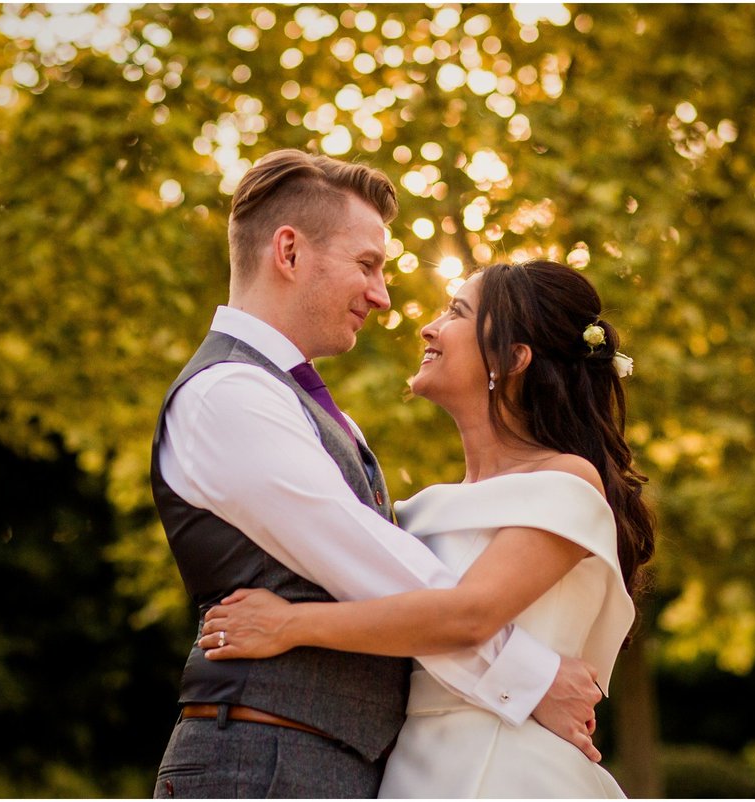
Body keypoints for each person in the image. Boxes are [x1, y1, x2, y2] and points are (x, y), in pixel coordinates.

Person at [150, 150, 604, 799]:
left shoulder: (308, 409)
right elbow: (372, 565)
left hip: (326, 763)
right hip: (264, 763)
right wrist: (533, 678)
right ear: (289, 252)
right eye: (368, 265)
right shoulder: (230, 395)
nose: (383, 297)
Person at [194, 259, 656, 797]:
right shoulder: (417, 511)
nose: (429, 327)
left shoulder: (565, 481)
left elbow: (470, 615)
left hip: (506, 771)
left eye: (456, 312)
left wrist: (289, 625)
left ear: (511, 359)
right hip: (410, 771)